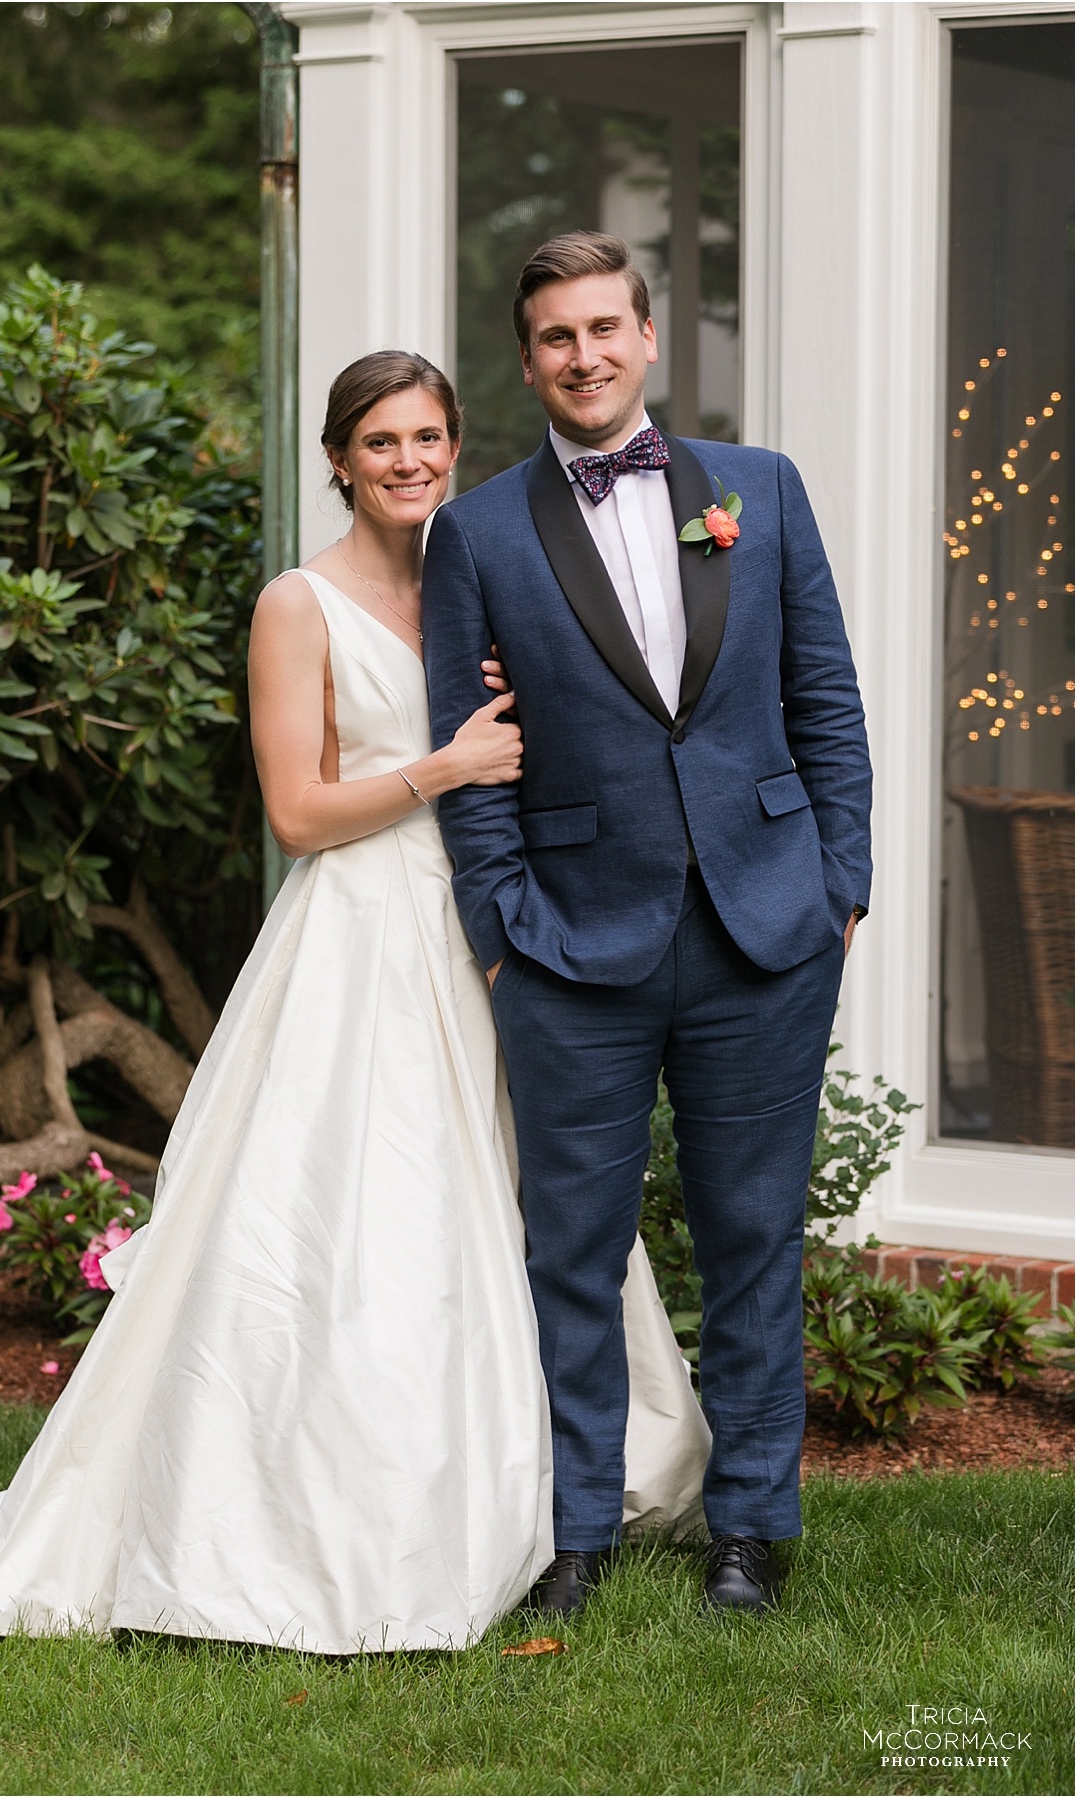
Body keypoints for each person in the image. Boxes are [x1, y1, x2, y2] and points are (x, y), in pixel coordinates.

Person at [0, 351, 709, 1654]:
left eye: (430, 437)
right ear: (339, 459)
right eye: (383, 441)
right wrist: (443, 769)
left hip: (491, 931)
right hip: (360, 933)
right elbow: (297, 813)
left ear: (457, 446)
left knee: (529, 1198)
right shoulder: (299, 604)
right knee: (366, 1215)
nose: (411, 461)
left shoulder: (486, 577)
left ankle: (546, 1482)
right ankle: (331, 1510)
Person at [423, 233, 872, 1616]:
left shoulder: (764, 491)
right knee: (569, 1247)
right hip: (569, 943)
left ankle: (748, 1527)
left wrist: (839, 888)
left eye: (606, 327)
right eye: (557, 336)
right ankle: (577, 1529)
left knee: (751, 1234)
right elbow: (469, 744)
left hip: (765, 931)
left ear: (649, 336)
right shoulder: (478, 533)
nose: (585, 355)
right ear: (528, 358)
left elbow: (828, 705)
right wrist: (501, 926)